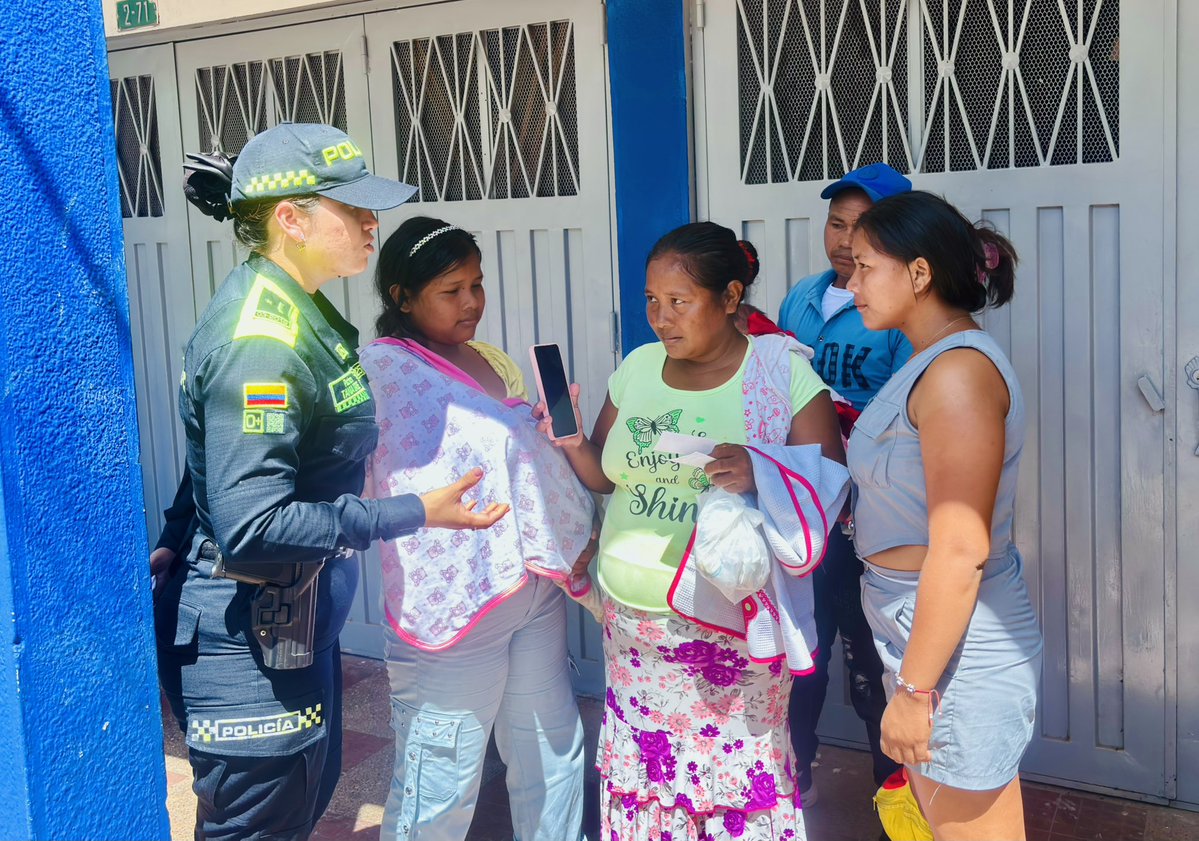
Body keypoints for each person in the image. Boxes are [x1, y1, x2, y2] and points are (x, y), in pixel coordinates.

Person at [153, 123, 508, 841]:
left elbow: (222, 462)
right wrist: (412, 511)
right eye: (352, 210)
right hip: (247, 642)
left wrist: (172, 529)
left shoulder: (303, 310)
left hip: (297, 621)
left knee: (299, 806)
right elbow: (253, 528)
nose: (371, 224)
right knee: (261, 822)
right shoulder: (261, 343)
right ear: (291, 218)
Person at [541, 222, 845, 841]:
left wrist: (761, 471)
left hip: (731, 633)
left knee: (733, 786)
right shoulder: (637, 368)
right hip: (631, 629)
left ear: (731, 297)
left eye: (679, 302)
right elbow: (607, 475)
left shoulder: (780, 375)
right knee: (648, 781)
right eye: (652, 301)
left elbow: (830, 494)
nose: (661, 318)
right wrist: (572, 444)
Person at [359, 216, 598, 841]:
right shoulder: (379, 373)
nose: (472, 303)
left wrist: (544, 433)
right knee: (438, 785)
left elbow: (510, 453)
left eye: (477, 284)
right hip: (452, 604)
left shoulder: (486, 359)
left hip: (530, 590)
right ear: (402, 298)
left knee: (552, 755)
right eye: (451, 290)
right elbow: (365, 475)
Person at [846, 191, 1043, 838]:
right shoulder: (928, 360)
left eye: (864, 265)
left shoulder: (956, 373)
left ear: (920, 273)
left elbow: (960, 548)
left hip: (950, 647)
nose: (851, 285)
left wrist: (914, 691)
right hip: (919, 630)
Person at [777, 162, 912, 802]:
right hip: (801, 511)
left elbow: (907, 422)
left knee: (871, 669)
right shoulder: (800, 299)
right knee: (795, 654)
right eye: (835, 223)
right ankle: (789, 787)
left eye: (858, 229)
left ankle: (894, 804)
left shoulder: (897, 313)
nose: (841, 240)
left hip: (869, 519)